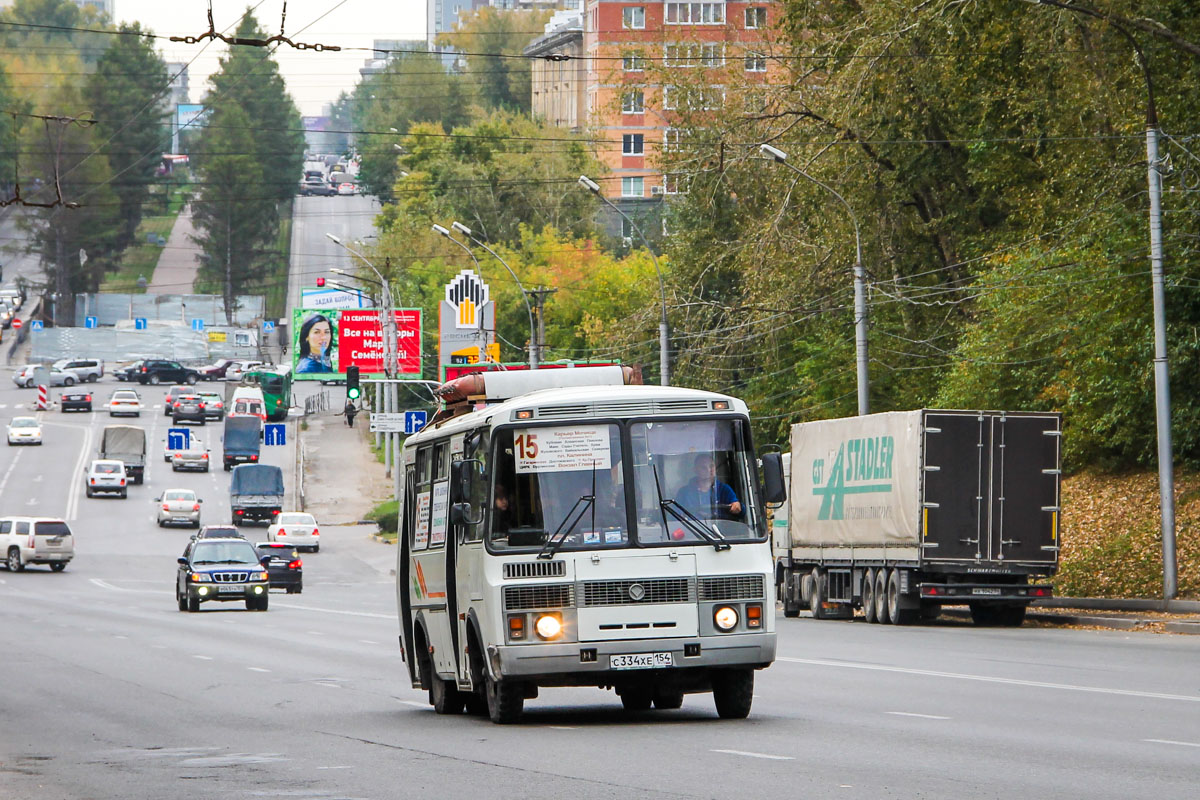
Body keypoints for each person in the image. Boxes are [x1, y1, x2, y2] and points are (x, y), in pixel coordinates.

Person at [676, 453, 742, 520]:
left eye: (711, 466)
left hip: (720, 529)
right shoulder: (684, 493)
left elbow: (740, 510)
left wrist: (737, 506)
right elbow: (674, 514)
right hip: (692, 529)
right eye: (703, 467)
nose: (708, 470)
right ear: (695, 470)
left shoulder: (724, 489)